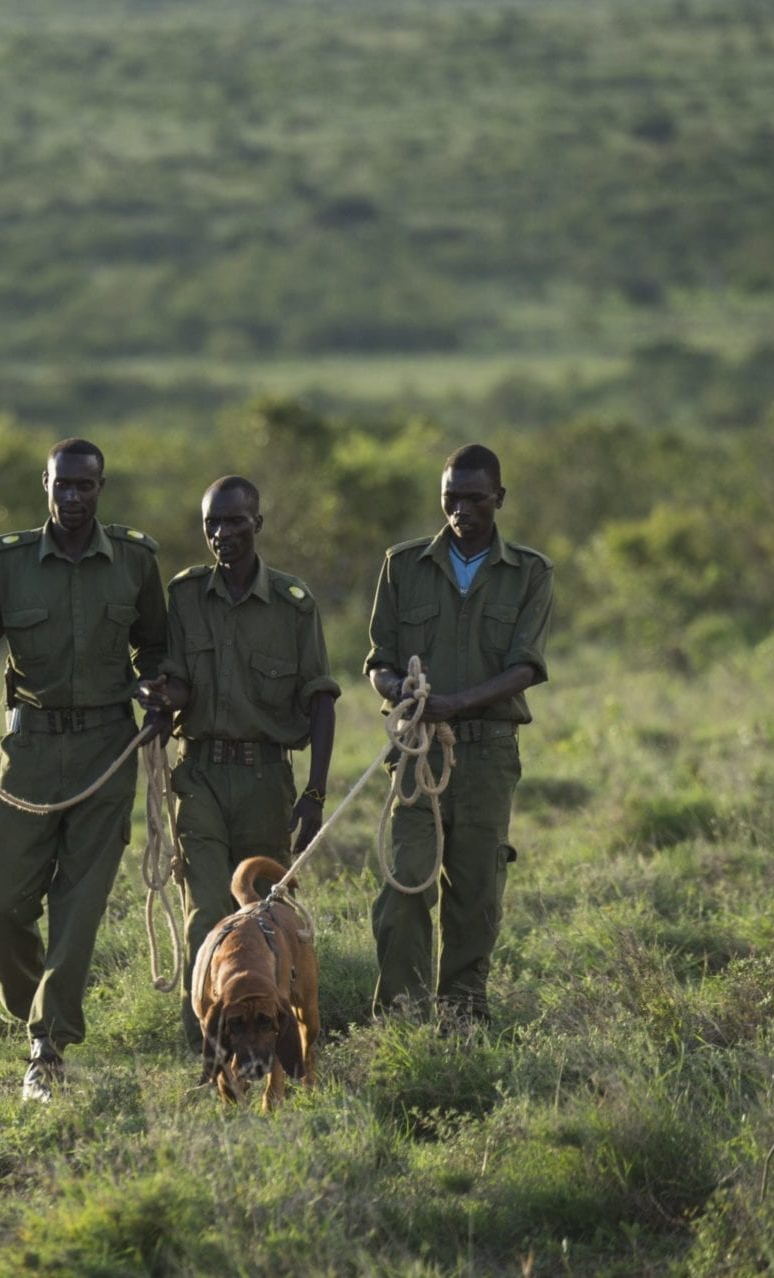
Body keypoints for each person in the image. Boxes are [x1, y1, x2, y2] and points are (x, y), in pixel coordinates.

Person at [0, 438, 169, 1101]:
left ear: (102, 488)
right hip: (30, 751)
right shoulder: (5, 562)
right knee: (4, 901)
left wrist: (157, 688)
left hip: (109, 750)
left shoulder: (134, 559)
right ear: (45, 485)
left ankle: (47, 1045)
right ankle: (33, 1007)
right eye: (62, 485)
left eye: (86, 486)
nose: (73, 498)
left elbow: (156, 645)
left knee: (79, 907)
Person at [137, 476, 339, 1051]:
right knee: (207, 912)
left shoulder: (294, 606)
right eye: (212, 525)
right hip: (197, 774)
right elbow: (176, 681)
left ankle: (276, 1045)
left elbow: (321, 699)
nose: (222, 534)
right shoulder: (183, 596)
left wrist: (316, 793)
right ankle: (207, 1047)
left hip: (264, 778)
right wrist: (158, 699)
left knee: (267, 917)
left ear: (258, 524)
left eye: (235, 522)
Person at [363, 443, 553, 1023]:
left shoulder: (529, 572)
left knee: (476, 892)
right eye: (451, 500)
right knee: (406, 884)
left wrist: (456, 703)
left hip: (489, 753)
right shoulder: (403, 565)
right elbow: (377, 662)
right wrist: (400, 691)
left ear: (499, 498)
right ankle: (403, 1014)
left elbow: (526, 667)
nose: (461, 511)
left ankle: (463, 1013)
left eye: (474, 499)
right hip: (417, 751)